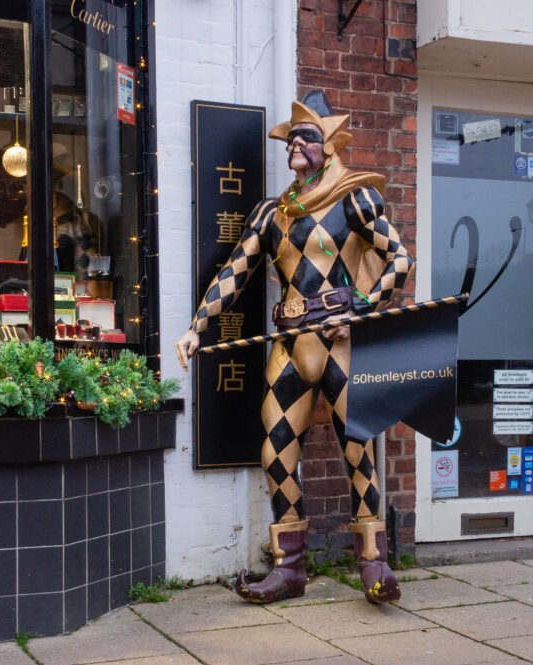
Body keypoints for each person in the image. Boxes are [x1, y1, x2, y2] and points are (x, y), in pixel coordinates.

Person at [176, 90, 415, 605]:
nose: (294, 146)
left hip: (340, 339)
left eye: (305, 137)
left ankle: (374, 563)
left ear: (328, 146)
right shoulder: (272, 213)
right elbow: (234, 272)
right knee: (277, 452)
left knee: (358, 451)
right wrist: (198, 325)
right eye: (292, 139)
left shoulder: (355, 199)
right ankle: (289, 568)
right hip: (289, 343)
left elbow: (399, 260)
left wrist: (364, 305)